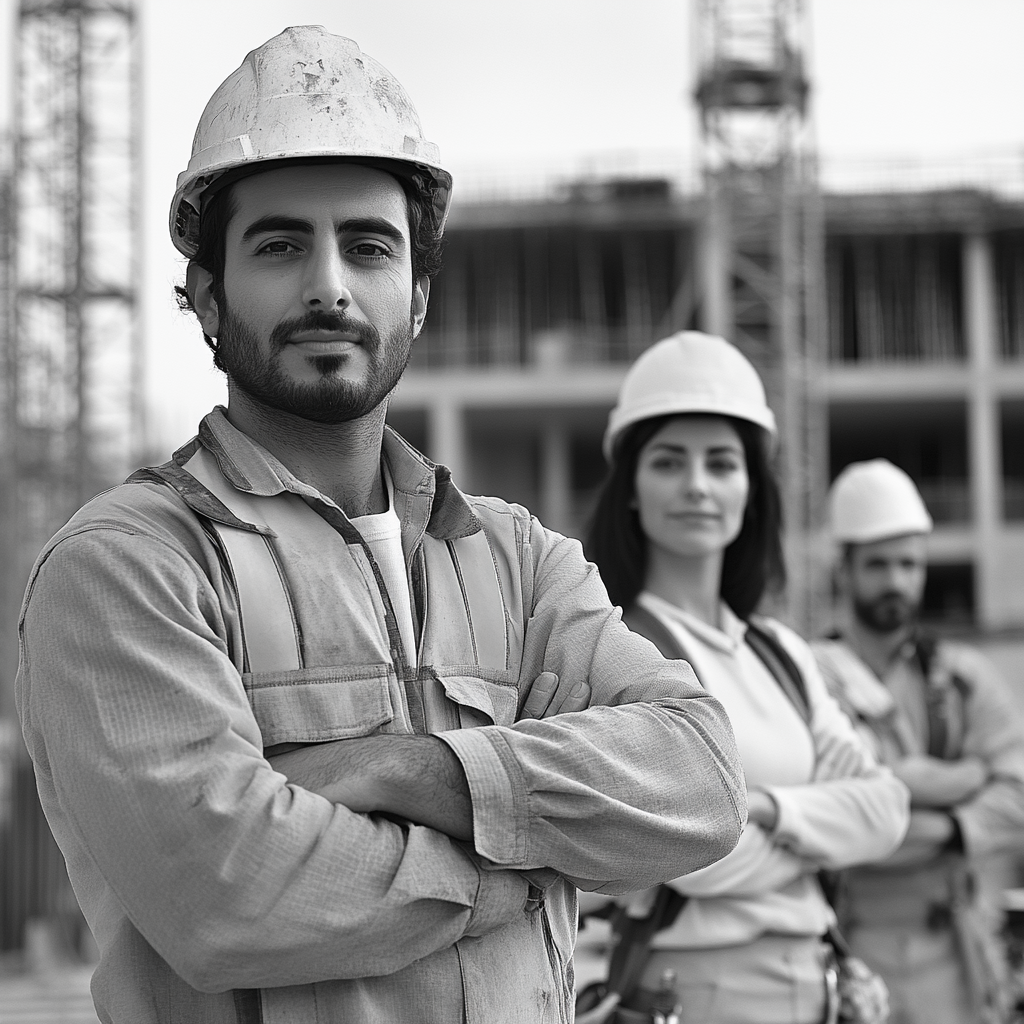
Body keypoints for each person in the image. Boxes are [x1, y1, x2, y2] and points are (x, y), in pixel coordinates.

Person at [13, 27, 749, 1024]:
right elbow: (227, 895)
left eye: (368, 246)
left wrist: (405, 769)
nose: (329, 285)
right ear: (208, 295)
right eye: (279, 245)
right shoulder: (130, 564)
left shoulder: (514, 560)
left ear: (420, 295)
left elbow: (699, 777)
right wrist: (525, 867)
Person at [585, 332, 909, 1024]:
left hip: (819, 986)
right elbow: (665, 854)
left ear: (750, 491)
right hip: (694, 997)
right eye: (669, 462)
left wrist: (760, 809)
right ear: (632, 489)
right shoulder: (616, 650)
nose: (697, 485)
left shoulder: (784, 653)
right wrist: (818, 826)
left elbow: (885, 810)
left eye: (722, 463)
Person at [812, 459, 1024, 1024]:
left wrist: (954, 827)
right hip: (846, 943)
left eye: (909, 563)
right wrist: (964, 779)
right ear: (844, 569)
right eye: (878, 564)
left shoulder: (964, 677)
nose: (897, 581)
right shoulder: (809, 677)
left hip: (952, 951)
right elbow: (826, 815)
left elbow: (1018, 793)